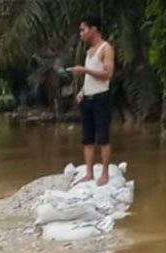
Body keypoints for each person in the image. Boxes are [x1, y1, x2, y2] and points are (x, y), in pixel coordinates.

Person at [70, 14, 115, 186]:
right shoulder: (88, 52)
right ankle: (89, 173)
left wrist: (84, 71)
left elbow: (108, 75)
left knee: (103, 137)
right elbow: (91, 78)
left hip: (101, 99)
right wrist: (82, 91)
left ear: (93, 29)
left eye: (83, 30)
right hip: (87, 99)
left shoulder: (106, 48)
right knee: (87, 138)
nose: (80, 33)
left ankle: (104, 173)